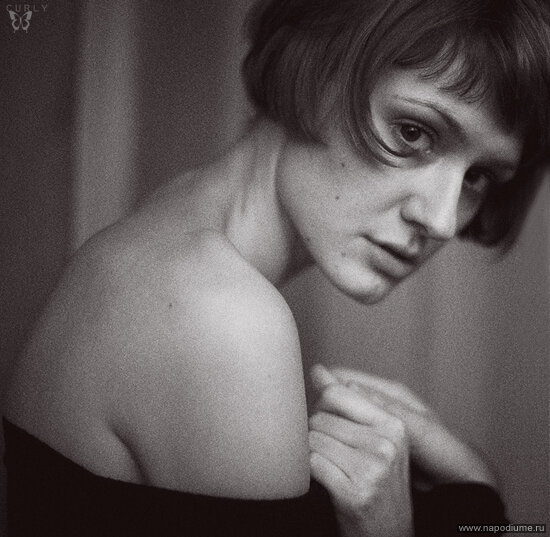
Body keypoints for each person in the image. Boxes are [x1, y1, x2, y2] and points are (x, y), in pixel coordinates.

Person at [3, 0, 549, 535]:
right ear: (311, 69)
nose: (443, 220)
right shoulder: (220, 312)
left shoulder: (164, 237)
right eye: (413, 131)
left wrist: (474, 488)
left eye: (478, 176)